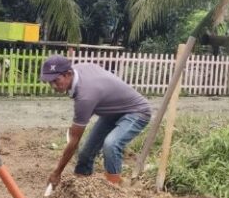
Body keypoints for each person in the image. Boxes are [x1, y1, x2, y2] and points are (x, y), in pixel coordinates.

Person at [40, 54, 151, 186]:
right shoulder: (77, 72)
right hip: (112, 111)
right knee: (86, 154)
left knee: (111, 144)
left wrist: (57, 172)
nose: (53, 86)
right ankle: (80, 188)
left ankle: (114, 189)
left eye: (56, 81)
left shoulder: (85, 96)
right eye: (49, 82)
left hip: (137, 111)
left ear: (68, 74)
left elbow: (74, 141)